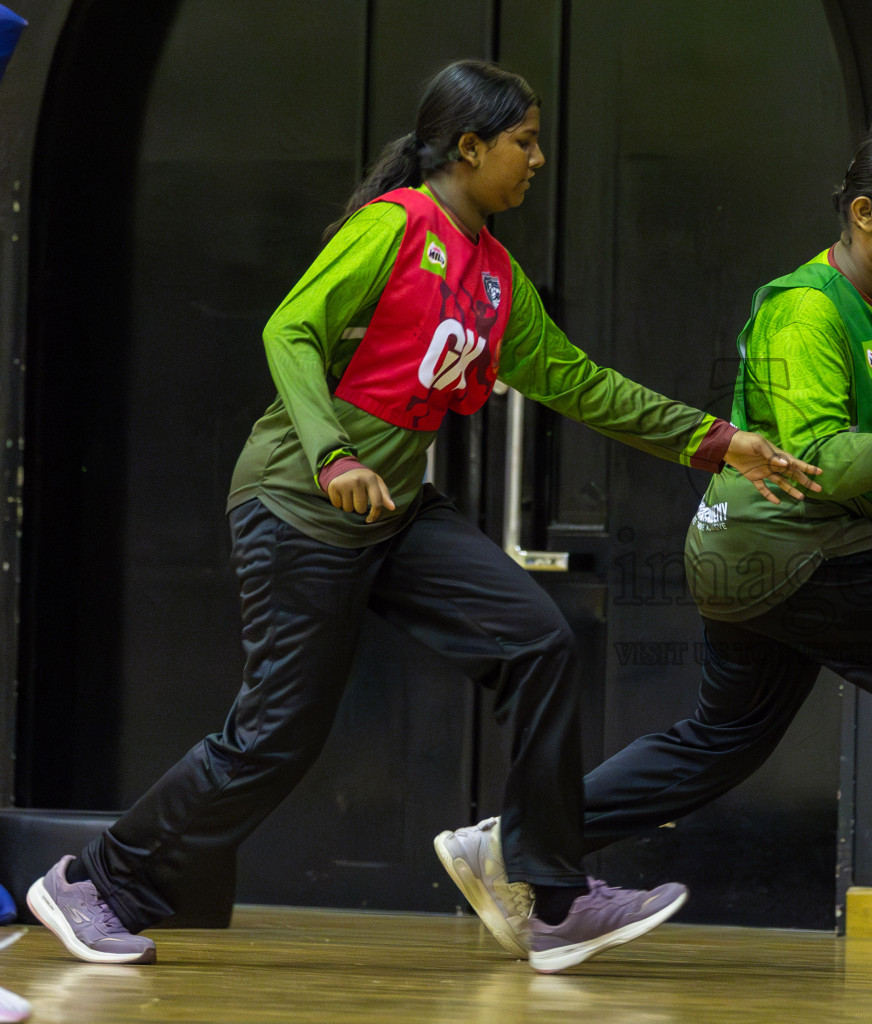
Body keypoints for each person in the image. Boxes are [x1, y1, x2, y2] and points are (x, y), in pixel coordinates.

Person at [24, 59, 819, 975]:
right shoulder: (395, 225)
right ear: (469, 147)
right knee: (276, 736)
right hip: (299, 504)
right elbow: (289, 329)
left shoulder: (495, 274)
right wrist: (333, 454)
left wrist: (718, 440)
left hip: (396, 510)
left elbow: (579, 382)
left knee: (539, 643)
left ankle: (552, 899)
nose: (539, 159)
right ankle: (93, 881)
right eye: (524, 142)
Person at [435, 106, 872, 985]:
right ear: (864, 214)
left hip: (765, 557)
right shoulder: (803, 308)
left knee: (724, 738)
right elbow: (820, 458)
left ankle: (516, 844)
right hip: (788, 539)